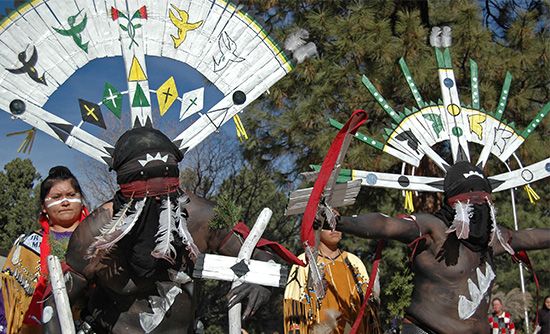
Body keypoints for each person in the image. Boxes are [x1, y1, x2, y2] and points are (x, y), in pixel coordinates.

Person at [42, 128, 293, 333]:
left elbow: (258, 253)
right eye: (143, 197)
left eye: (163, 196)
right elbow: (57, 301)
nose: (154, 205)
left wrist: (261, 280)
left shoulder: (201, 217)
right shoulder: (95, 234)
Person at [325, 161, 550, 334]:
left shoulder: (492, 239)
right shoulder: (433, 229)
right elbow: (386, 223)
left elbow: (532, 237)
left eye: (484, 200)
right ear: (454, 203)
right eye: (471, 200)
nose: (479, 207)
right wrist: (340, 222)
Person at [0, 166, 88, 334]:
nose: (65, 202)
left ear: (81, 198)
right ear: (43, 206)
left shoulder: (102, 238)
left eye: (71, 195)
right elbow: (6, 299)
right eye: (56, 197)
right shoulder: (28, 245)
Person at [283, 228, 381, 334]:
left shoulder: (354, 261)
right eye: (327, 226)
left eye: (337, 224)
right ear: (316, 230)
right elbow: (294, 306)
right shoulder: (304, 263)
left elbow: (370, 309)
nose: (334, 229)